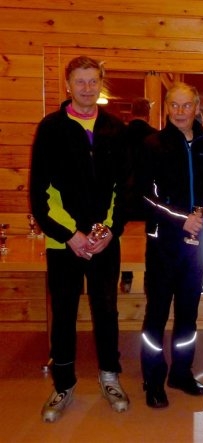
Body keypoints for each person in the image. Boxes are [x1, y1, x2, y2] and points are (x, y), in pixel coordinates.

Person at [29, 55, 131, 422]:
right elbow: (39, 193)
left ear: (101, 84)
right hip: (64, 243)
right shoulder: (51, 128)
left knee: (106, 310)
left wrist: (107, 231)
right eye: (80, 81)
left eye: (93, 81)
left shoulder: (115, 129)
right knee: (64, 314)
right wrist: (70, 235)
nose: (87, 88)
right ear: (68, 85)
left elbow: (124, 187)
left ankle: (110, 376)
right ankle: (63, 384)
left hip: (104, 241)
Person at [138, 82, 203, 408]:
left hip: (197, 243)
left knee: (188, 312)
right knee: (157, 313)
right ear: (166, 107)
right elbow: (144, 196)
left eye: (187, 105)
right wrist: (181, 218)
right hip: (163, 243)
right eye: (175, 105)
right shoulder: (152, 145)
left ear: (197, 107)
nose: (181, 111)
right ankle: (153, 378)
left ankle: (182, 372)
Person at [119, 97, 157, 293]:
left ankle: (126, 279)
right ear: (148, 114)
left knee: (125, 239)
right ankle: (149, 281)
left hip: (124, 195)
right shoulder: (155, 136)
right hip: (148, 196)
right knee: (150, 239)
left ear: (132, 112)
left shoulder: (120, 134)